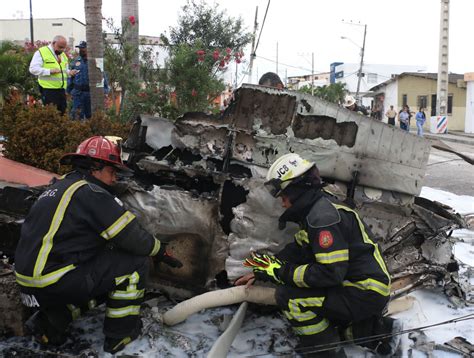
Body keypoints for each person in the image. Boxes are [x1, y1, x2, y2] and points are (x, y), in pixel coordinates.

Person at [14, 136, 183, 354]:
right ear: (95, 167)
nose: (115, 179)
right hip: (55, 280)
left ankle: (51, 323)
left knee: (104, 274)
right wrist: (160, 251)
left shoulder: (58, 188)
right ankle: (121, 335)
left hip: (30, 283)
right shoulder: (91, 193)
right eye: (112, 171)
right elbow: (130, 236)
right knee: (134, 265)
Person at [236, 153, 398, 357]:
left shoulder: (323, 218)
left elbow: (329, 274)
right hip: (363, 288)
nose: (283, 204)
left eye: (284, 197)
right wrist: (262, 269)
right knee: (313, 300)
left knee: (290, 298)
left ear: (296, 191)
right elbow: (298, 250)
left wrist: (278, 272)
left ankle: (325, 351)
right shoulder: (318, 210)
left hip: (362, 291)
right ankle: (377, 332)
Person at [29, 35, 79, 115]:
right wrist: (49, 71)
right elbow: (33, 69)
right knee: (51, 116)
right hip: (48, 90)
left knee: (62, 114)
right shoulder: (41, 52)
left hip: (61, 90)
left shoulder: (62, 55)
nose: (62, 50)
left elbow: (64, 70)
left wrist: (69, 72)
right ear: (53, 43)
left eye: (64, 48)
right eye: (60, 47)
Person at [68, 41, 109, 120]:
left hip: (90, 93)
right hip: (78, 93)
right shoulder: (76, 61)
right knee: (76, 116)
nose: (81, 50)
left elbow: (102, 77)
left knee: (91, 117)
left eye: (83, 48)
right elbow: (71, 76)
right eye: (80, 48)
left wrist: (105, 91)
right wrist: (69, 90)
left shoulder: (95, 61)